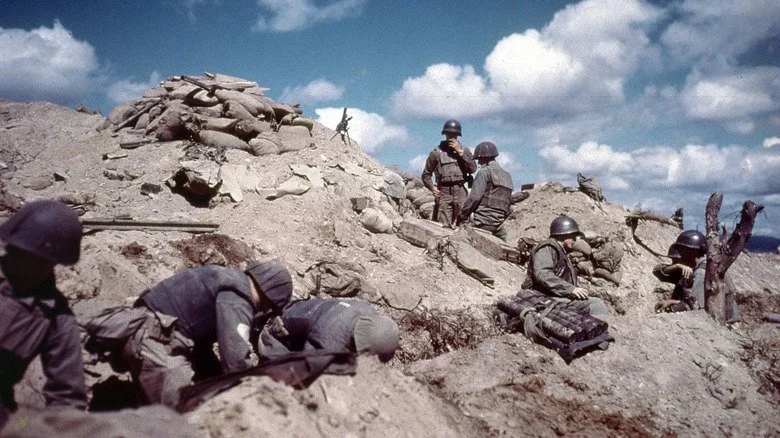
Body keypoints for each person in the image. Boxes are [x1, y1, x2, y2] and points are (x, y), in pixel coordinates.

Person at [84, 260, 293, 408]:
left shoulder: (222, 275)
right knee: (182, 415)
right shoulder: (238, 297)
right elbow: (235, 359)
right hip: (156, 345)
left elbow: (198, 344)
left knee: (151, 412)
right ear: (269, 299)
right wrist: (251, 390)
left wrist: (214, 375)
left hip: (135, 331)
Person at [0, 200, 87, 428]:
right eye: (17, 250)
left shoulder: (56, 319)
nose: (24, 262)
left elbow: (68, 398)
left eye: (39, 260)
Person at [259, 298, 400, 372]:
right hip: (279, 332)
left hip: (310, 319)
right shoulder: (328, 340)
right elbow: (308, 369)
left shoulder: (367, 311)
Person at [522, 216, 609, 316]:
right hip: (544, 297)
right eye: (573, 236)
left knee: (592, 302)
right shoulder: (547, 247)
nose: (575, 240)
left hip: (556, 296)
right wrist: (570, 289)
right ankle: (599, 331)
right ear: (562, 235)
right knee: (595, 304)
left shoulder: (561, 251)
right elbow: (543, 273)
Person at [653, 230, 739, 322]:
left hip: (722, 323)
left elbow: (696, 306)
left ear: (693, 251)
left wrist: (671, 302)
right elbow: (658, 271)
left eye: (682, 250)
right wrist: (677, 266)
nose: (680, 254)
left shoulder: (702, 272)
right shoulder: (704, 265)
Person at [421, 119, 477, 227]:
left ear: (458, 135)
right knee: (443, 226)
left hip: (460, 190)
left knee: (464, 224)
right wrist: (432, 188)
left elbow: (473, 169)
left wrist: (460, 152)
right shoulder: (436, 153)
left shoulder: (465, 151)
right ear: (445, 134)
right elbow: (426, 175)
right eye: (449, 134)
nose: (451, 137)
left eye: (454, 135)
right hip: (444, 192)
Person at [456, 141, 514, 241]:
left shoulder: (484, 172)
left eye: (480, 159)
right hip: (499, 225)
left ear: (485, 158)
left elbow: (474, 198)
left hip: (481, 222)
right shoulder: (507, 175)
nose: (479, 163)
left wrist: (462, 216)